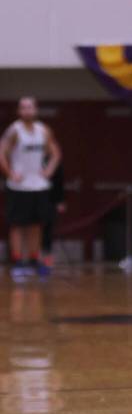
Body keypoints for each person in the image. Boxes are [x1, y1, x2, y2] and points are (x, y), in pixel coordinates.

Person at [0, 96, 61, 280]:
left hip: (38, 185)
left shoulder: (43, 130)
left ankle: (34, 259)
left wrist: (49, 170)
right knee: (17, 225)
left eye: (30, 107)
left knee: (36, 225)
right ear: (19, 111)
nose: (27, 111)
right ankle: (19, 261)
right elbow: (1, 153)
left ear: (35, 110)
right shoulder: (14, 131)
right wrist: (10, 174)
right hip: (19, 186)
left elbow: (56, 153)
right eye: (23, 107)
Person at [40, 161, 65, 276]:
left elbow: (59, 181)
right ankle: (30, 259)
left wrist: (60, 201)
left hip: (50, 200)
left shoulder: (54, 160)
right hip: (32, 197)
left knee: (47, 230)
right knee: (32, 229)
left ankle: (46, 260)